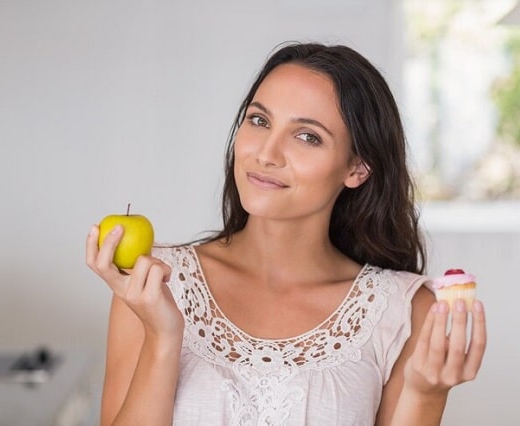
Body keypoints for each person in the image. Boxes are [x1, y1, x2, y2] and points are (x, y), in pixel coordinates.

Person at [86, 42, 487, 426]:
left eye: (307, 136)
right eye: (259, 120)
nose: (266, 153)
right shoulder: (152, 282)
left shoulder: (403, 310)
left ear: (357, 169)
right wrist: (162, 336)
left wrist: (427, 394)